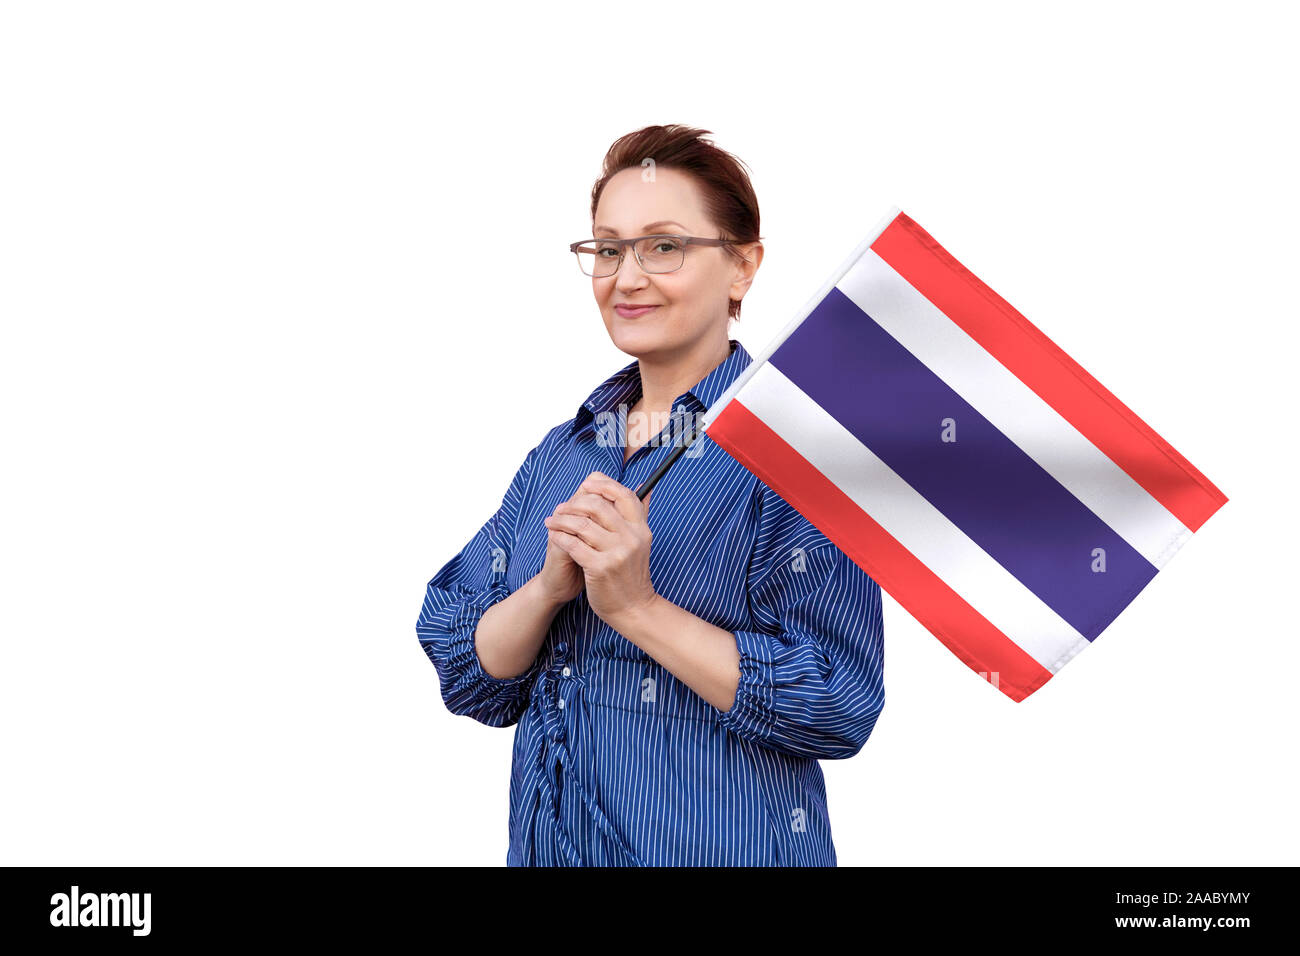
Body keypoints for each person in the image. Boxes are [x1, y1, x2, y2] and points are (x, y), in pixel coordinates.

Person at [415, 124, 885, 866]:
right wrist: (544, 591)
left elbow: (837, 704)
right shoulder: (562, 453)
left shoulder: (798, 458)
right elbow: (469, 672)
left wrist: (636, 607)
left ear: (742, 267)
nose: (626, 277)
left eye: (663, 246)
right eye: (607, 249)